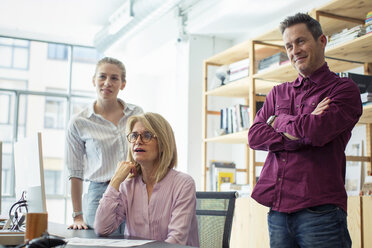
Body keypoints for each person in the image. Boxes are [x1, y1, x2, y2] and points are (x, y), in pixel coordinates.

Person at [248, 13, 362, 248]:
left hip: (321, 213)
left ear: (322, 41)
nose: (294, 51)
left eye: (301, 41)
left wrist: (278, 121)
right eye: (289, 46)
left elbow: (317, 132)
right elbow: (255, 136)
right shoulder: (277, 93)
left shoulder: (344, 90)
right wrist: (302, 126)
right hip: (277, 213)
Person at [94, 112, 199, 247]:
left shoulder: (183, 184)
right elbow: (102, 229)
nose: (138, 141)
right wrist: (115, 181)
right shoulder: (128, 186)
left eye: (147, 135)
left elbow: (176, 241)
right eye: (134, 136)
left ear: (162, 143)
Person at [65, 57, 143, 230]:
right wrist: (77, 216)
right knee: (101, 241)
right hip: (99, 193)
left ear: (123, 84)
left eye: (114, 78)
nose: (107, 82)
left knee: (137, 240)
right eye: (102, 77)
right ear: (94, 80)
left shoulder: (136, 113)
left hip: (135, 188)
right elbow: (75, 172)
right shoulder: (79, 122)